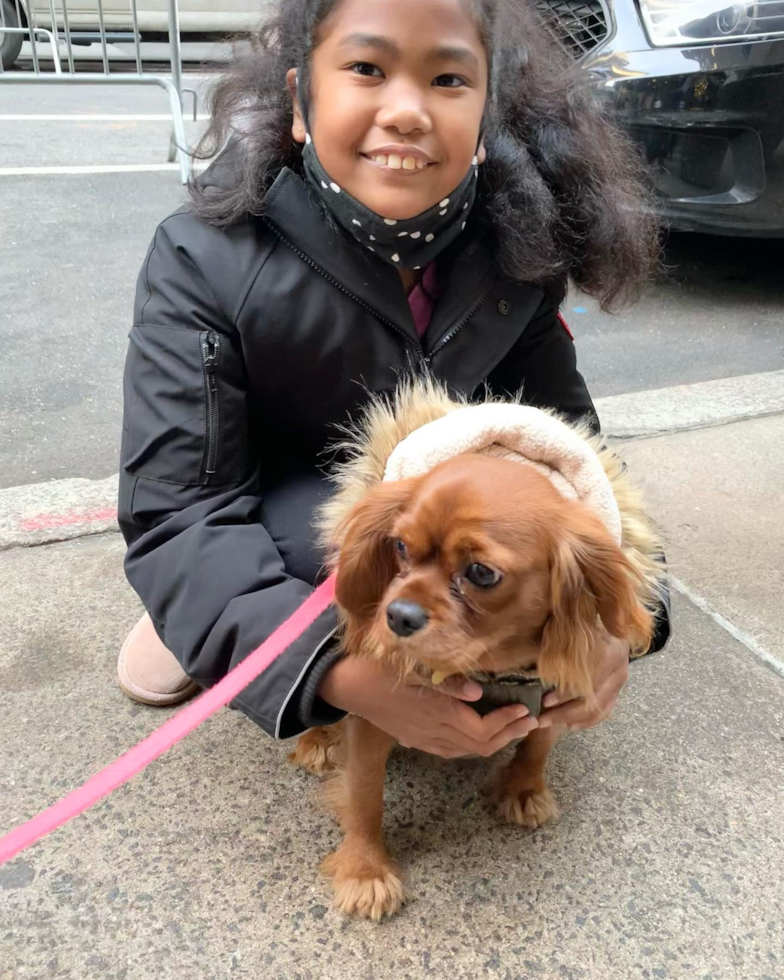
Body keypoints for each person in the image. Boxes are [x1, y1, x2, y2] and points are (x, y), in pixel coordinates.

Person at [117, 0, 669, 759]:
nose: (407, 111)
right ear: (300, 104)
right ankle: (207, 608)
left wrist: (618, 624)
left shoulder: (515, 254)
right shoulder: (200, 258)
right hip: (282, 531)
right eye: (367, 68)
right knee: (306, 552)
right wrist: (333, 673)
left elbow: (575, 460)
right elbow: (178, 507)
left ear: (485, 122)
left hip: (445, 549)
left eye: (447, 78)